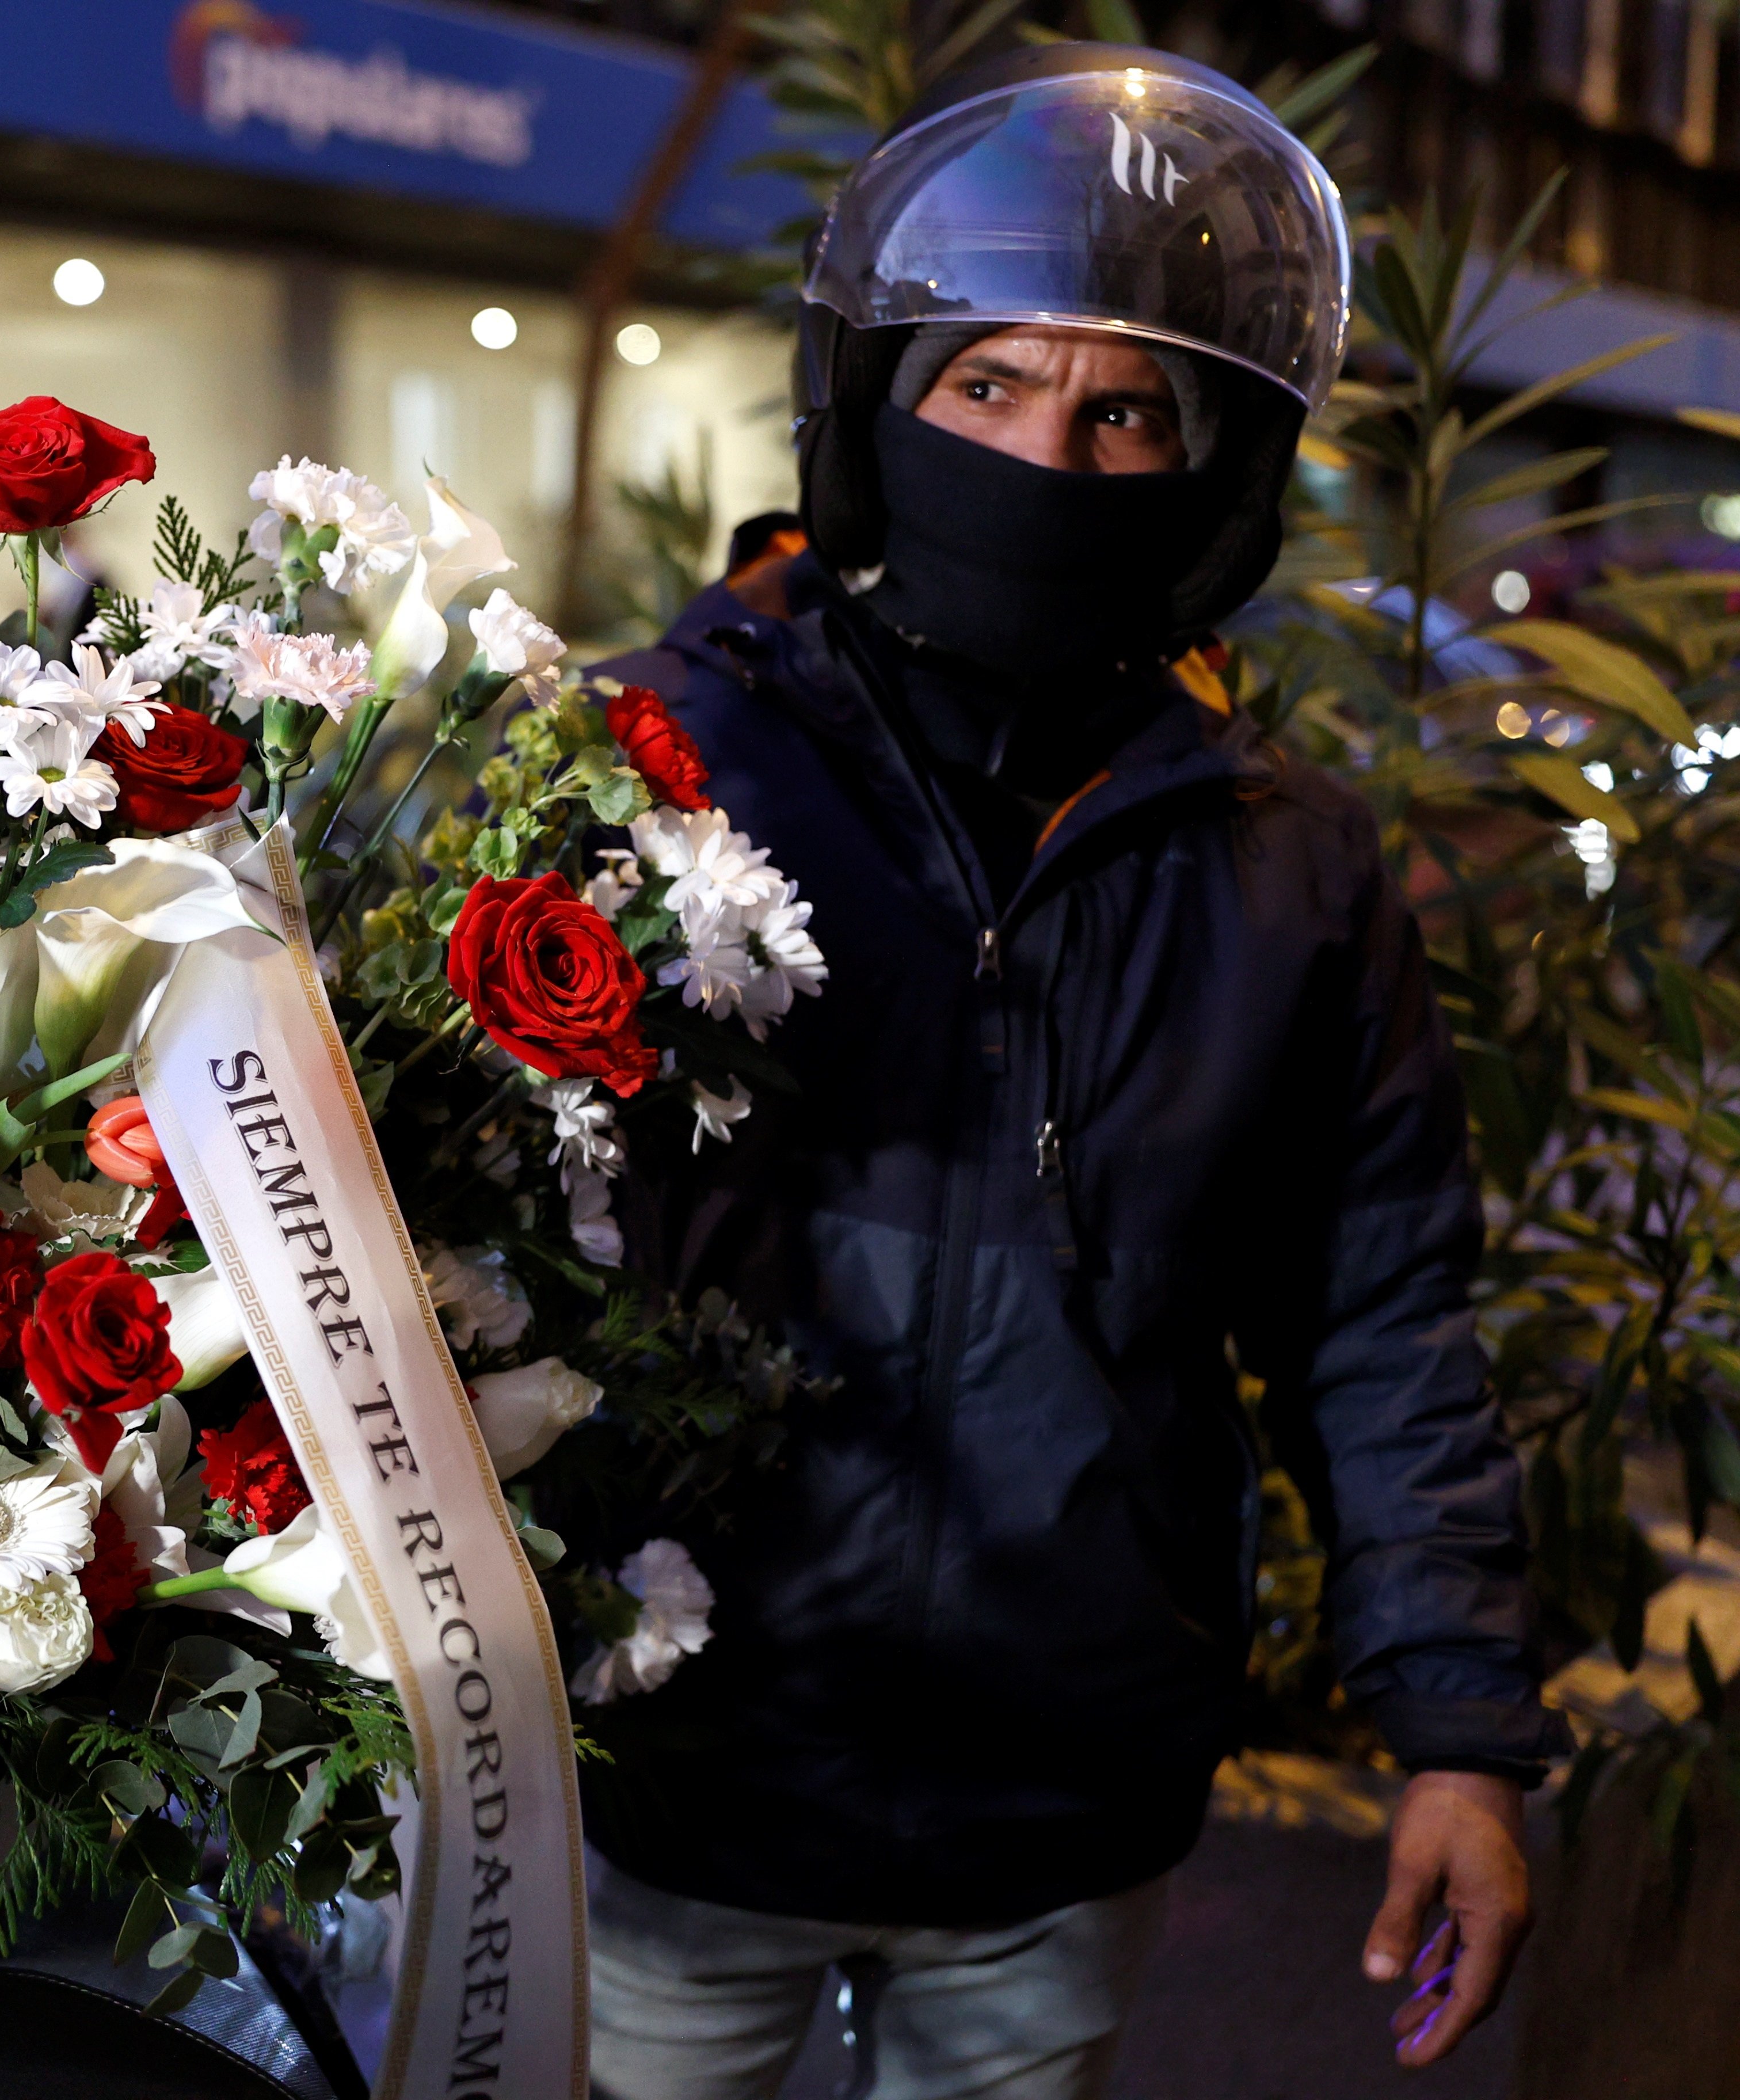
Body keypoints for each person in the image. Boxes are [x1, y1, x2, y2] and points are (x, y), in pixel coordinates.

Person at [582, 46, 1565, 2099]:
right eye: (989, 387)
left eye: (1126, 409)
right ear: (876, 404)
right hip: (668, 1769)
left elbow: (1379, 1317)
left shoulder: (1284, 864)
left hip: (1055, 1795)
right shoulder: (645, 767)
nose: (1054, 447)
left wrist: (1461, 1727)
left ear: (1209, 478)